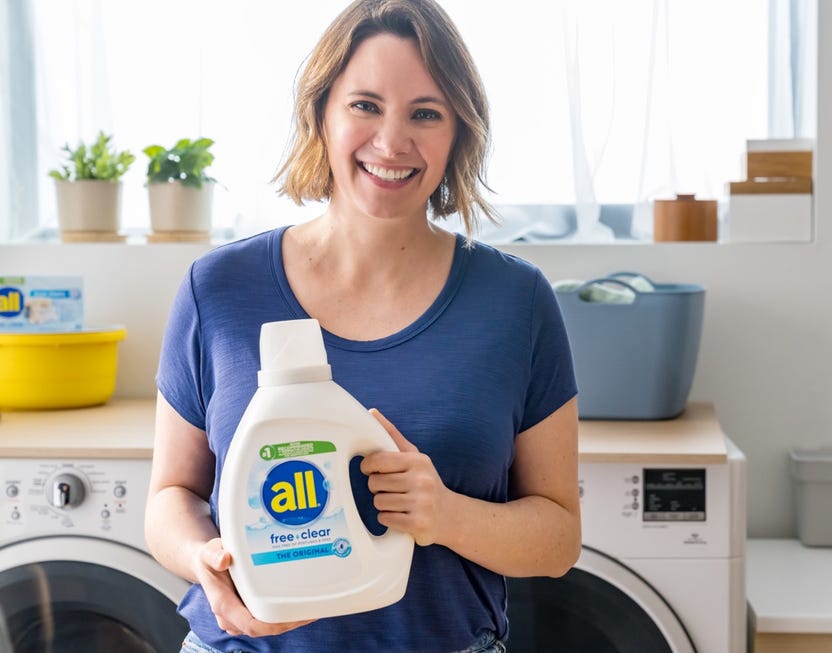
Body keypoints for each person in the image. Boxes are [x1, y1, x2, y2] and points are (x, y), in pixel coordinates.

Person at [144, 0, 581, 651]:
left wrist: (444, 513)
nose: (392, 141)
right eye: (365, 105)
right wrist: (201, 555)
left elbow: (557, 540)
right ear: (320, 112)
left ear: (459, 131)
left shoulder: (515, 301)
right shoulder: (220, 289)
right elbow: (170, 495)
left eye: (425, 113)